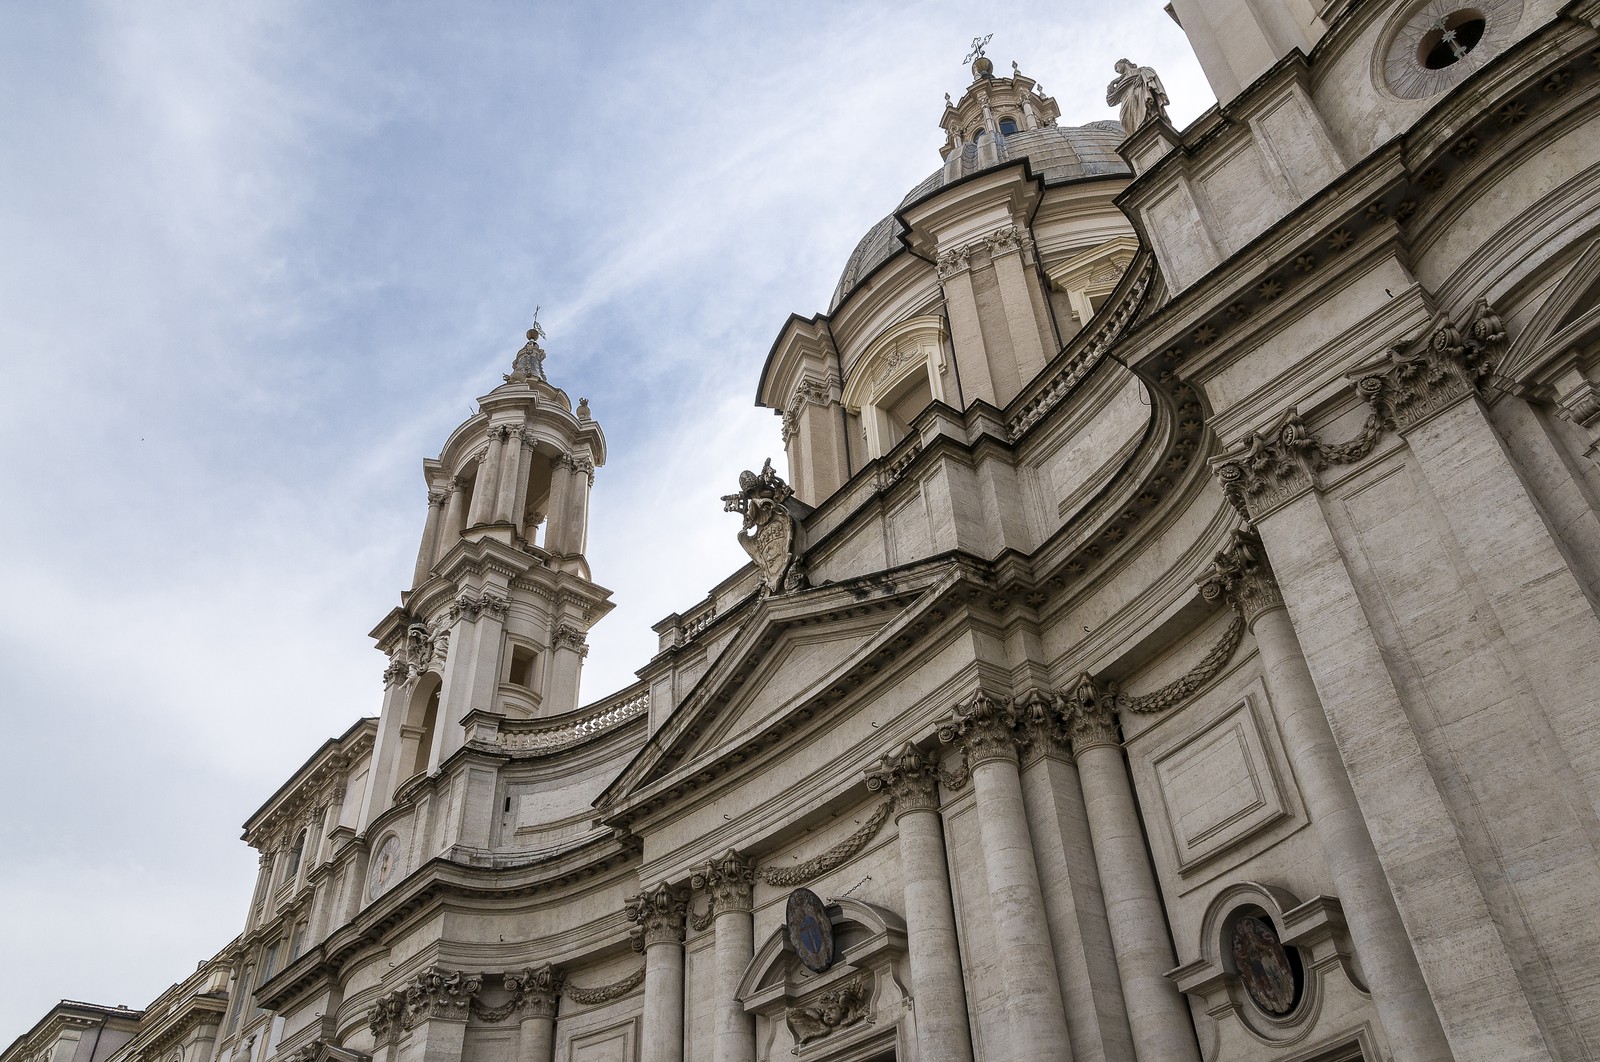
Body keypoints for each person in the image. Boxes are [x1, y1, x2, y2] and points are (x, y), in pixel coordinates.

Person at [1106, 58, 1169, 134]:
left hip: (1139, 93)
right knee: (1125, 120)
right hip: (1126, 101)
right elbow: (1111, 101)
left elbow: (1150, 74)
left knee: (1144, 113)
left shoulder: (1141, 70)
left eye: (1116, 67)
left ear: (1124, 63)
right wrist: (1112, 83)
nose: (1117, 70)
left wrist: (1142, 77)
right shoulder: (1119, 82)